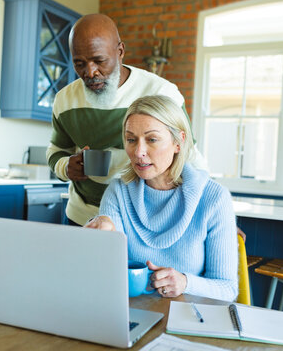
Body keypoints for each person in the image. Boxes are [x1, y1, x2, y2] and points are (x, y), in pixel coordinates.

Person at [46, 13, 200, 226]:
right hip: (81, 218)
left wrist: (210, 214)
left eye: (99, 61)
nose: (90, 72)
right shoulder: (64, 100)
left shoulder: (160, 92)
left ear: (120, 52)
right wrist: (66, 167)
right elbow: (56, 151)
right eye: (79, 63)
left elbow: (189, 157)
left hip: (144, 220)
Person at [85, 95, 238, 301]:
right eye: (131, 140)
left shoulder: (214, 198)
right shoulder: (118, 192)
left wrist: (185, 282)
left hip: (190, 318)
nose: (139, 152)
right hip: (129, 316)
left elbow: (227, 289)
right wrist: (99, 231)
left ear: (178, 142)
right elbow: (104, 274)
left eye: (152, 139)